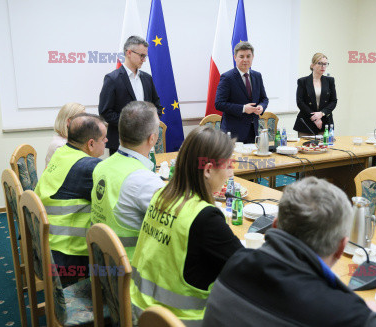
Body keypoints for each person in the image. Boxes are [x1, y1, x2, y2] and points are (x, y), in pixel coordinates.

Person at [203, 177, 376, 327]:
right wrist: (358, 310)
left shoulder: (235, 263)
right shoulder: (349, 317)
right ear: (341, 248)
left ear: (274, 226)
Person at [130, 126, 243, 325]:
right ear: (208, 170)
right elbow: (246, 269)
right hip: (181, 320)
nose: (231, 172)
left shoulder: (162, 195)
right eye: (228, 165)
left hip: (141, 312)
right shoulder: (205, 217)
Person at [90, 101, 165, 260]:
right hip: (132, 277)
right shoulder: (145, 180)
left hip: (103, 272)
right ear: (152, 139)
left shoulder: (101, 167)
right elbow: (176, 228)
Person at [35, 113, 108, 273]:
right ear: (90, 143)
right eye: (103, 139)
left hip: (45, 246)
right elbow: (113, 204)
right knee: (126, 266)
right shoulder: (89, 166)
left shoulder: (62, 153)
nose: (106, 141)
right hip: (68, 258)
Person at [99, 35, 163, 155]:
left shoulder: (147, 78)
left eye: (145, 56)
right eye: (141, 55)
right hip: (120, 141)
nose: (144, 59)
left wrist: (151, 121)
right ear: (129, 53)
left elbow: (157, 105)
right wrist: (132, 124)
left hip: (145, 141)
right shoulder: (112, 79)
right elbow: (105, 112)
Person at [215, 41, 269, 143]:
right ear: (235, 58)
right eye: (241, 56)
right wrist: (243, 108)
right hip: (233, 133)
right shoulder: (227, 77)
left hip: (253, 131)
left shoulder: (257, 76)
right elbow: (219, 104)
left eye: (248, 56)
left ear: (253, 57)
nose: (245, 60)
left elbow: (264, 98)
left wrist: (261, 107)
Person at [294, 53, 337, 137]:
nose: (323, 66)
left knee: (325, 148)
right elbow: (300, 102)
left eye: (325, 64)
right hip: (306, 122)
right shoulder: (303, 81)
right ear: (312, 65)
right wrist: (315, 118)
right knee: (305, 148)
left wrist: (321, 114)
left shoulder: (330, 81)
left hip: (325, 122)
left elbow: (333, 101)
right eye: (320, 63)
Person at [45, 102, 85, 166]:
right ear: (69, 122)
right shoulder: (60, 145)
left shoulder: (72, 141)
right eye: (82, 119)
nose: (86, 123)